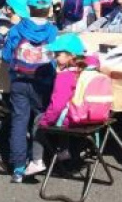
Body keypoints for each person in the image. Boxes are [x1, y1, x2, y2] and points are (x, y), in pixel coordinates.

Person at [1, 0, 58, 183]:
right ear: (49, 8)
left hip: (19, 80)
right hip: (43, 82)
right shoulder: (52, 30)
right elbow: (55, 57)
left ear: (28, 7)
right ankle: (37, 158)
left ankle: (18, 166)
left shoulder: (17, 29)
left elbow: (6, 56)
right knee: (39, 120)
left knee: (19, 121)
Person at [24, 33, 89, 177]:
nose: (55, 57)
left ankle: (37, 161)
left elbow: (57, 106)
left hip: (72, 117)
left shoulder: (65, 76)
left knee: (39, 119)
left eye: (58, 54)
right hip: (86, 115)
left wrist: (46, 120)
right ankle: (64, 150)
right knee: (61, 115)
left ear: (71, 56)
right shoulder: (85, 70)